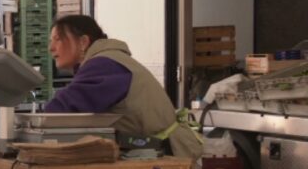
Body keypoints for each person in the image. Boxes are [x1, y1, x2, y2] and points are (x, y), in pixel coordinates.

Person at [44, 15, 202, 159]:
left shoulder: (105, 64)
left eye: (57, 39)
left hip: (168, 156)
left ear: (83, 42)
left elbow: (65, 106)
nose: (51, 48)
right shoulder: (108, 60)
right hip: (159, 153)